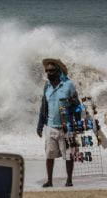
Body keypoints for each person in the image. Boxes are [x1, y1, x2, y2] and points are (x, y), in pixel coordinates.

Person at [37, 58, 80, 188]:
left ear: (58, 71)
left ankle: (69, 180)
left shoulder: (69, 85)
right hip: (50, 127)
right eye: (47, 71)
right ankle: (49, 181)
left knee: (69, 155)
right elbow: (43, 106)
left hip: (67, 127)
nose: (49, 73)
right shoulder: (47, 86)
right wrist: (40, 125)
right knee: (49, 154)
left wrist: (77, 125)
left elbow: (77, 106)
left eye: (51, 70)